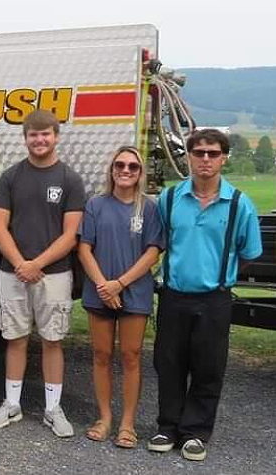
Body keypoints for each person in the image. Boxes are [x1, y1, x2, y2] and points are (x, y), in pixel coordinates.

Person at [148, 129, 262, 461]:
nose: (206, 159)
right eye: (199, 153)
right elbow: (160, 244)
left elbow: (247, 251)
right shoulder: (170, 199)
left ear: (224, 157)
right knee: (168, 363)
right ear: (189, 157)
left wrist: (218, 275)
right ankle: (167, 426)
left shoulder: (239, 203)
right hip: (173, 295)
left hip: (214, 298)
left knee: (208, 366)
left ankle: (196, 431)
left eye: (213, 153)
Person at [0, 109, 85, 438]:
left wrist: (36, 264)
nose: (39, 140)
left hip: (53, 275)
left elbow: (70, 234)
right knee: (14, 340)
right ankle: (12, 404)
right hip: (13, 272)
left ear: (56, 136)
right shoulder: (11, 177)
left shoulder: (69, 179)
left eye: (46, 134)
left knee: (52, 341)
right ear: (25, 138)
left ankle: (52, 409)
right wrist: (20, 264)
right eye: (33, 134)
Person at [78, 147, 164, 448]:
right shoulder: (96, 204)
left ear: (140, 173)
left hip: (134, 293)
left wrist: (119, 284)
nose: (125, 170)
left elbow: (152, 252)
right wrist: (104, 285)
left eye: (133, 166)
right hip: (99, 292)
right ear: (111, 169)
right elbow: (84, 248)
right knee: (101, 356)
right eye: (120, 164)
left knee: (131, 356)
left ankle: (128, 423)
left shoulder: (149, 208)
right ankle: (104, 418)